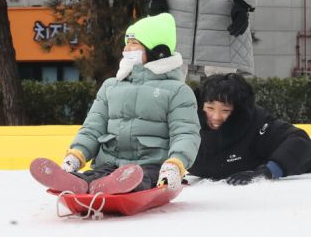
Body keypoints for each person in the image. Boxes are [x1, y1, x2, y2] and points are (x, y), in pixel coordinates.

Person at [30, 14, 201, 195]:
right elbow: (93, 127)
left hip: (152, 165)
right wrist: (77, 154)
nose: (126, 49)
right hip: (111, 164)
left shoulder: (177, 91)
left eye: (134, 43)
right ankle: (77, 182)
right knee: (95, 175)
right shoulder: (111, 87)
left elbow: (185, 133)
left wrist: (175, 164)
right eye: (126, 43)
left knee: (142, 177)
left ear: (158, 51)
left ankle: (124, 186)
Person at [188, 73, 311, 185]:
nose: (216, 117)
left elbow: (298, 142)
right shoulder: (189, 126)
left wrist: (267, 172)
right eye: (210, 108)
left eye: (225, 110)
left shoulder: (255, 124)